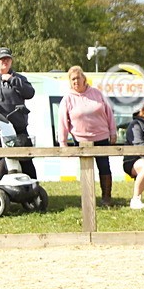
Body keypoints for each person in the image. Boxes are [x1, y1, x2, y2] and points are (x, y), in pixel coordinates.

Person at [59, 65, 118, 206]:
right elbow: (62, 120)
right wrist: (63, 142)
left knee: (104, 167)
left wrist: (113, 132)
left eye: (78, 78)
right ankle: (88, 198)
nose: (76, 81)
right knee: (86, 169)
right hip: (81, 139)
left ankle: (106, 198)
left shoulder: (97, 94)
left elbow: (109, 113)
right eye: (73, 79)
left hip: (102, 137)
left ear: (84, 79)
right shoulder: (67, 99)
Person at [0, 47, 37, 177]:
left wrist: (12, 80)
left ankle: (34, 192)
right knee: (2, 162)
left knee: (26, 162)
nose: (5, 61)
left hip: (18, 128)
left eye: (8, 59)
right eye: (2, 59)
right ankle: (2, 191)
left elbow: (30, 93)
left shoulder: (19, 78)